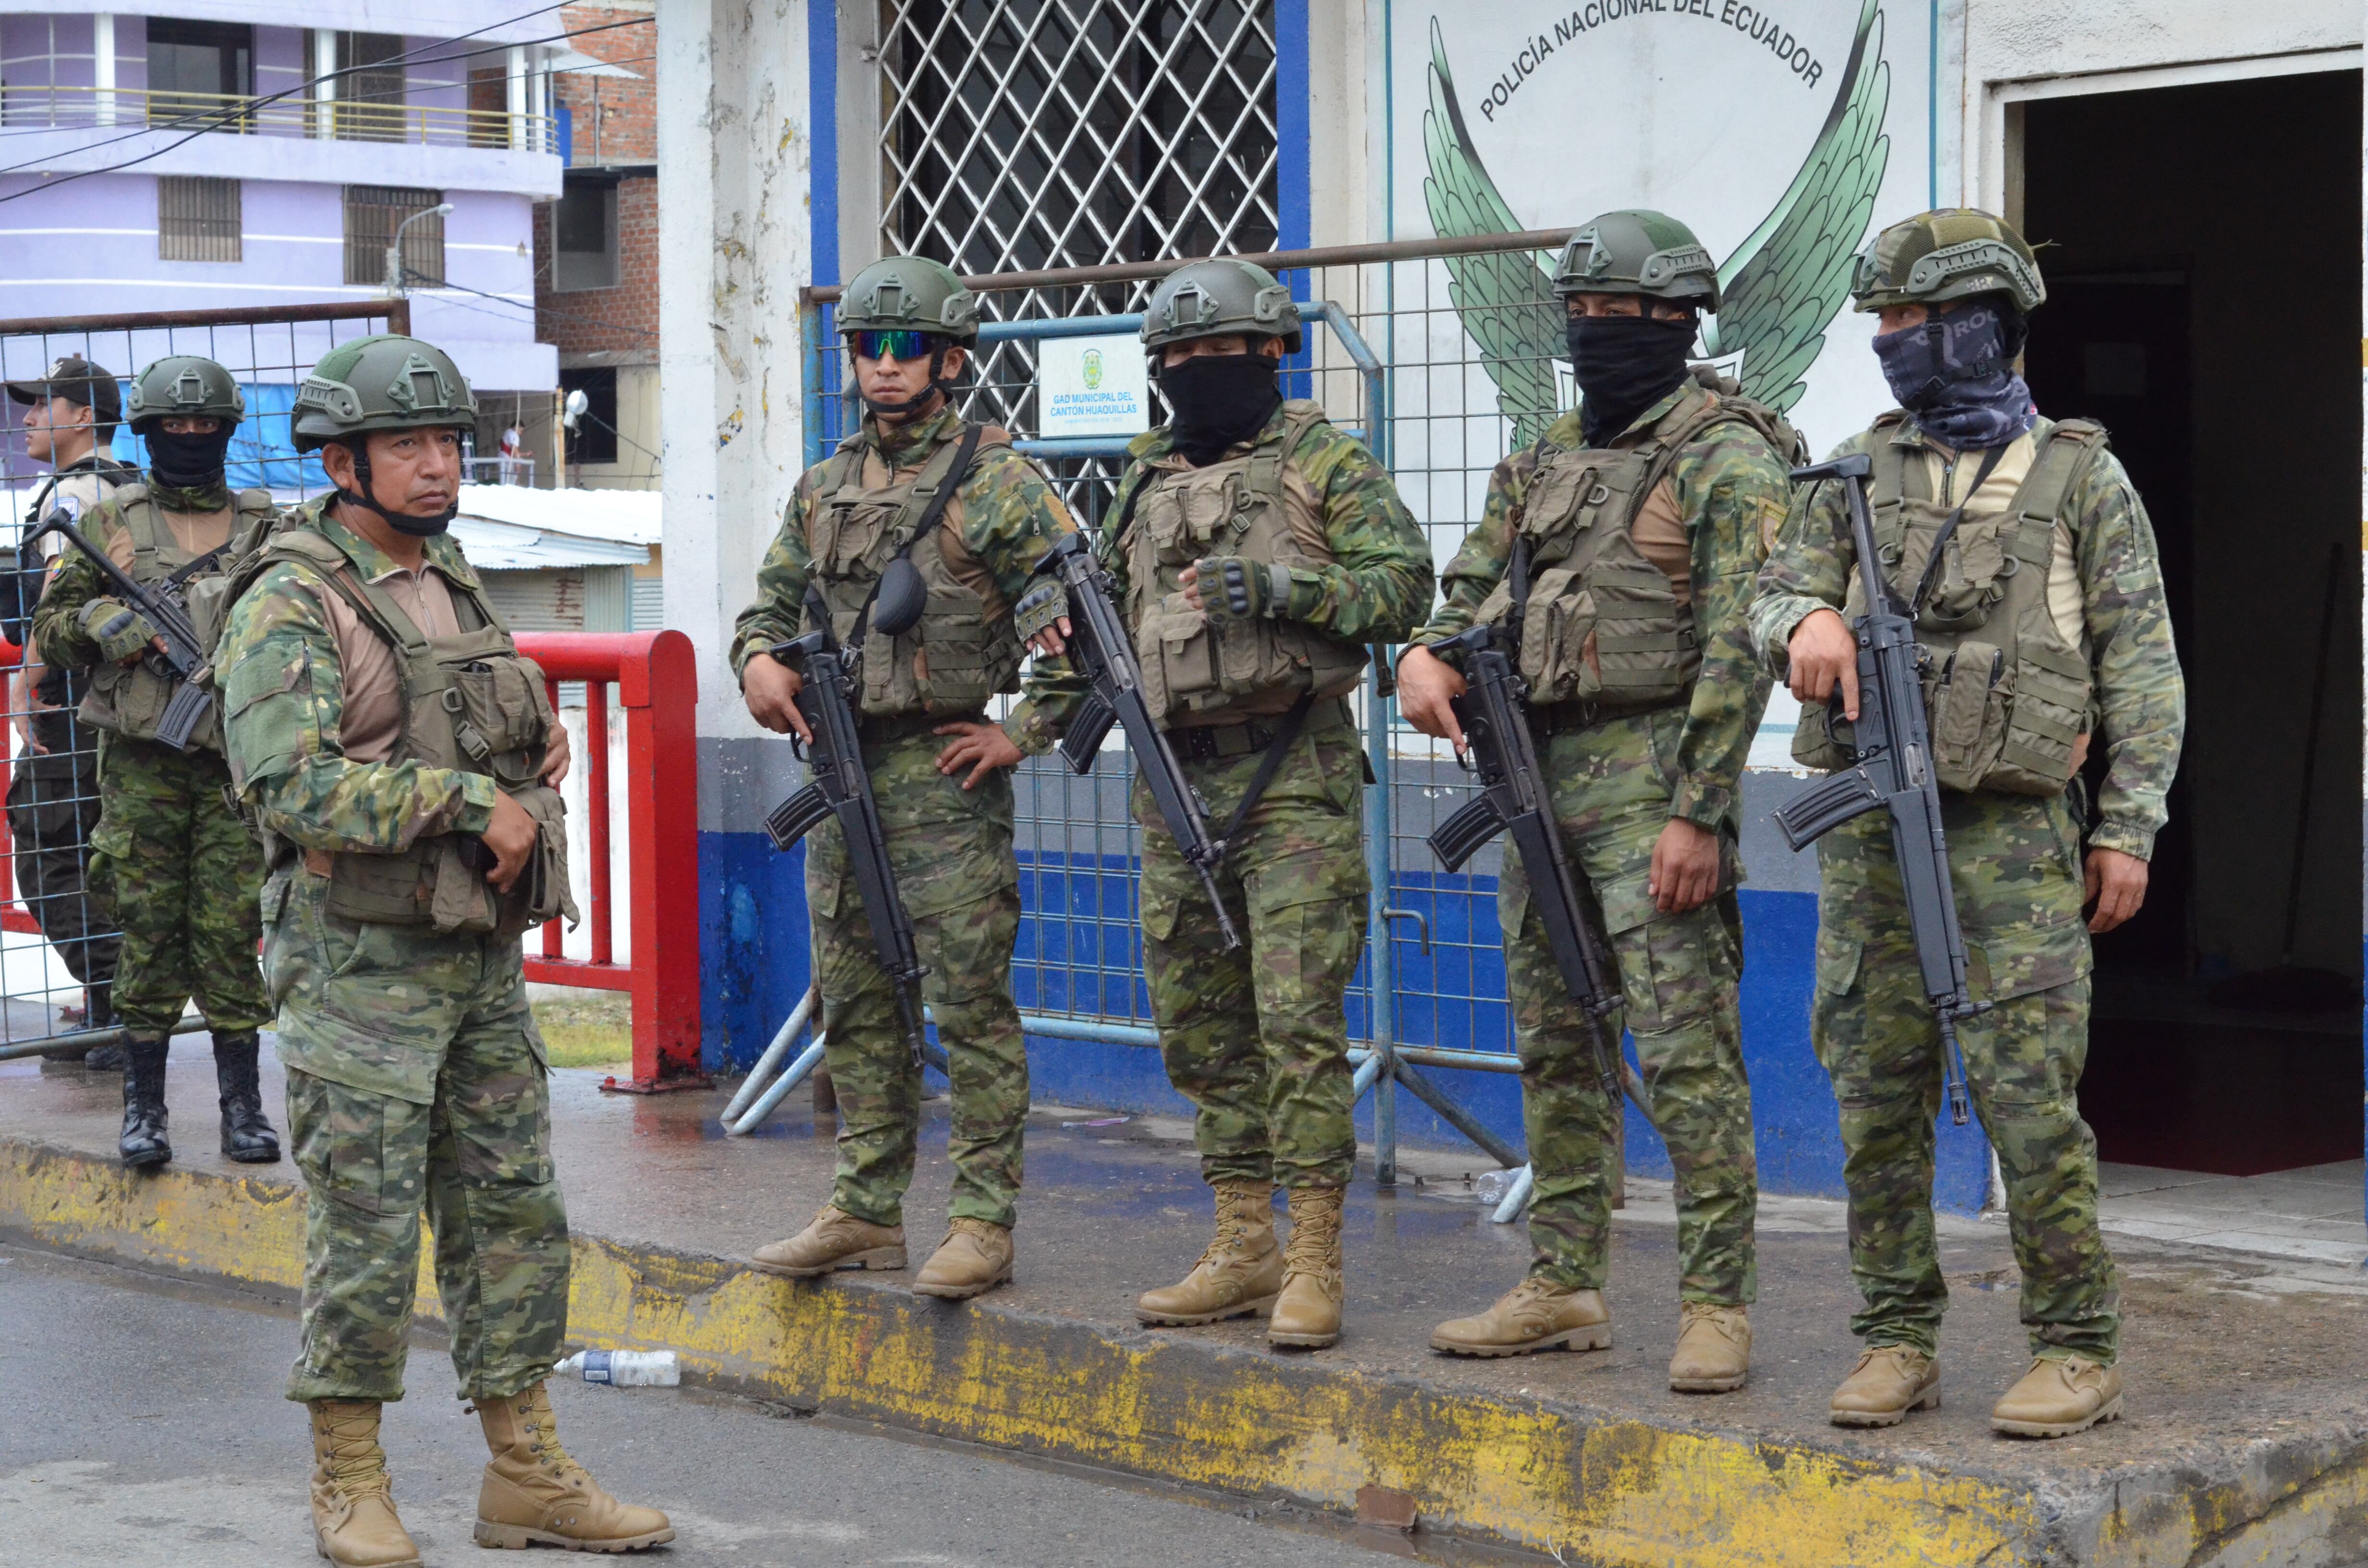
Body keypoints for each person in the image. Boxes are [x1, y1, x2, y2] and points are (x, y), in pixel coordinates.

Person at [216, 333, 671, 1562]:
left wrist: (527, 760)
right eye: (407, 444)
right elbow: (287, 786)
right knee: (364, 1232)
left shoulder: (447, 574)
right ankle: (351, 1482)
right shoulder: (289, 595)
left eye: (448, 443)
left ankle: (526, 1473)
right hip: (356, 966)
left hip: (472, 957)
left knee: (512, 1216)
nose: (435, 466)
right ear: (344, 457)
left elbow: (455, 711)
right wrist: (477, 805)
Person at [1750, 209, 2184, 1437]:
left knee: (2028, 1096)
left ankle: (2075, 1344)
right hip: (1870, 834)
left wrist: (2129, 828)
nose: (1890, 344)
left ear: (1982, 325)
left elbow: (2142, 671)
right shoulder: (1850, 469)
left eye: (1911, 321)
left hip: (2011, 840)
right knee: (1874, 1094)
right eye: (1880, 323)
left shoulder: (2079, 479)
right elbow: (1768, 593)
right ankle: (1895, 1338)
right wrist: (1801, 624)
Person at [1396, 210, 1796, 1390]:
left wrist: (1699, 811)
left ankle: (1717, 1302)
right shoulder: (1541, 455)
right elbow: (1468, 587)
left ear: (1679, 321)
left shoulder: (1727, 454)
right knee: (1555, 1040)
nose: (1593, 333)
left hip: (1653, 774)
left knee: (1685, 1052)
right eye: (1580, 313)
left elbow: (1740, 641)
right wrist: (1426, 655)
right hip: (1534, 777)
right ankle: (1564, 1279)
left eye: (1618, 315)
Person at [1074, 258, 1431, 1350]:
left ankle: (1315, 1255)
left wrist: (1285, 590)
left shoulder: (1327, 461)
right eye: (1176, 360)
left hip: (1292, 779)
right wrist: (1030, 717)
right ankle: (1242, 1242)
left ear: (1274, 352)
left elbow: (1404, 586)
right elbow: (1101, 618)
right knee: (1202, 1027)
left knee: (1295, 1023)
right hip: (1172, 781)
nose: (1197, 373)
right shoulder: (1139, 480)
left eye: (1219, 354)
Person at [734, 256, 1085, 1301]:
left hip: (942, 769)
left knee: (969, 1004)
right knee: (855, 996)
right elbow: (771, 599)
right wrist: (755, 658)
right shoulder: (824, 484)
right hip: (844, 770)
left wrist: (1025, 729)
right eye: (866, 349)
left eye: (905, 349)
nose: (883, 368)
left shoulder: (1001, 484)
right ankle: (864, 1209)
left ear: (948, 358)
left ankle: (981, 1222)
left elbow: (1083, 618)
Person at [32, 356, 279, 1165]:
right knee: (144, 936)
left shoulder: (264, 525)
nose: (191, 437)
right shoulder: (111, 522)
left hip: (234, 767)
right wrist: (101, 621)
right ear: (146, 430)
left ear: (228, 430)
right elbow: (53, 626)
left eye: (207, 425)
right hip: (142, 768)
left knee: (230, 930)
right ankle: (144, 1112)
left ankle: (242, 1107)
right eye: (175, 426)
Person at [5, 355, 132, 1059]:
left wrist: (28, 681)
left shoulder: (74, 495)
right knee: (106, 858)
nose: (26, 418)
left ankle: (120, 1011)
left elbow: (62, 597)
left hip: (75, 704)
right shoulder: (132, 487)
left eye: (41, 404)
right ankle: (113, 1008)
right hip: (127, 703)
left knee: (51, 858)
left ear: (82, 416)